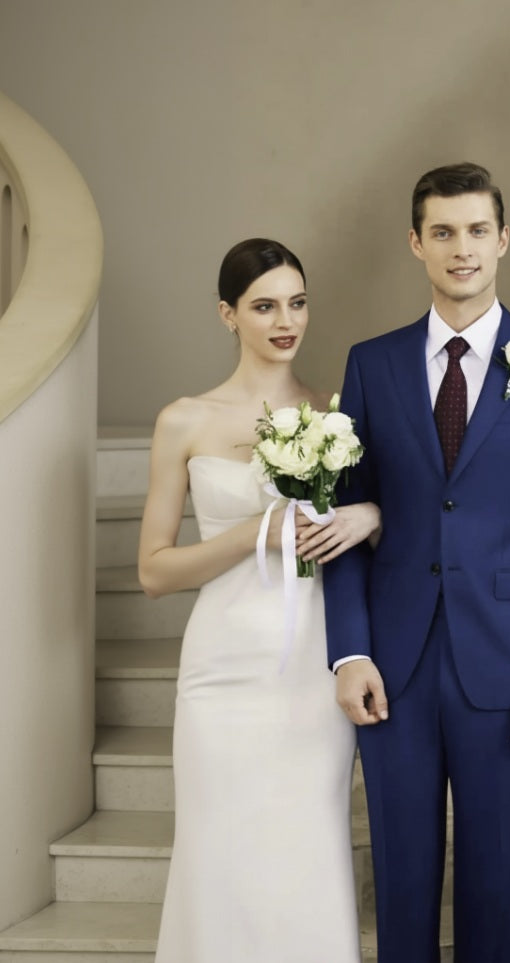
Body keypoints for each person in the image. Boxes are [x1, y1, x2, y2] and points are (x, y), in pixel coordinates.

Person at [318, 163, 510, 963]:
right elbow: (343, 515)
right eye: (442, 232)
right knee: (403, 891)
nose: (462, 248)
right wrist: (349, 649)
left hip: (509, 670)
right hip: (394, 669)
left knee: (491, 892)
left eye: (477, 230)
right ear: (416, 243)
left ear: (503, 241)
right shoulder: (371, 364)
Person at [138, 238, 379, 963]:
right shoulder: (182, 419)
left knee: (306, 843)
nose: (285, 320)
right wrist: (254, 531)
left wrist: (372, 517)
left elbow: (408, 514)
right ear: (227, 313)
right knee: (219, 848)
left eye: (296, 302)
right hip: (222, 665)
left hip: (314, 659)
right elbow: (153, 570)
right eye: (264, 305)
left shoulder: (337, 411)